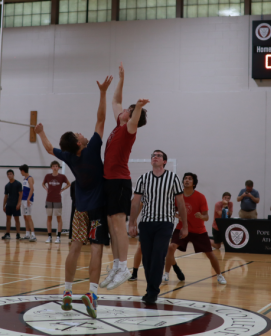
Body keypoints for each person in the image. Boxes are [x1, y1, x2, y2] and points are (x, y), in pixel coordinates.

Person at [36, 75, 113, 318]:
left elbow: (49, 148)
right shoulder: (90, 151)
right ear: (79, 143)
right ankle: (91, 293)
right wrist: (102, 92)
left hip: (79, 208)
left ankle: (67, 292)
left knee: (75, 248)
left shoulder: (68, 157)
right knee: (97, 249)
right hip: (97, 209)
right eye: (79, 134)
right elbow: (101, 118)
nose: (83, 133)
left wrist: (41, 131)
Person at [101, 63, 149, 290]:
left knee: (119, 224)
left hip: (120, 182)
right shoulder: (117, 126)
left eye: (127, 111)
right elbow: (115, 101)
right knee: (112, 224)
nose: (121, 109)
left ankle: (123, 267)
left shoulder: (129, 130)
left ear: (130, 117)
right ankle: (116, 264)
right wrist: (122, 78)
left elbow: (134, 118)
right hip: (109, 181)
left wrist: (138, 107)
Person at [129, 150, 187, 305]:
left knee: (158, 255)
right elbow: (135, 202)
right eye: (153, 155)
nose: (155, 156)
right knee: (147, 258)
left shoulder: (173, 178)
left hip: (165, 223)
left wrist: (185, 226)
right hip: (146, 223)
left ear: (164, 162)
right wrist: (131, 222)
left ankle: (152, 291)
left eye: (159, 155)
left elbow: (180, 203)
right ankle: (151, 287)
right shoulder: (143, 178)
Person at [164, 173, 227, 285]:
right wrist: (176, 215)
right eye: (185, 179)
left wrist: (201, 216)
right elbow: (171, 210)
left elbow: (206, 217)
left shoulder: (200, 197)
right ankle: (166, 274)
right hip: (182, 228)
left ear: (194, 183)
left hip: (198, 230)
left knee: (210, 254)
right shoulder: (177, 196)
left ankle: (219, 275)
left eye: (189, 179)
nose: (186, 180)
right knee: (171, 247)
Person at [42, 161, 71, 244]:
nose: (55, 167)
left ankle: (58, 237)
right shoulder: (47, 176)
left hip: (57, 199)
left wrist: (62, 190)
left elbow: (69, 184)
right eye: (53, 166)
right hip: (49, 199)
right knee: (49, 218)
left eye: (56, 166)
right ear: (51, 167)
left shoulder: (62, 176)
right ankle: (49, 236)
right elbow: (43, 184)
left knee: (58, 218)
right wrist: (46, 189)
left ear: (58, 168)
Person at [2, 169, 23, 240]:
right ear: (7, 176)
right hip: (9, 204)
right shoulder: (7, 185)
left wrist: (19, 203)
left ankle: (18, 234)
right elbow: (5, 196)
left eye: (11, 174)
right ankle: (7, 233)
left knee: (16, 219)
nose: (9, 175)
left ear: (13, 175)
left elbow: (20, 194)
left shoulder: (18, 184)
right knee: (8, 219)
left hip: (15, 204)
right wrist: (4, 205)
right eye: (8, 174)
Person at [20, 164, 36, 242]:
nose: (20, 173)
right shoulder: (24, 179)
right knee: (25, 217)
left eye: (21, 171)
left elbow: (32, 189)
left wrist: (28, 199)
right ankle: (27, 234)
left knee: (29, 217)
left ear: (23, 171)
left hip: (27, 200)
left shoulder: (30, 178)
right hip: (23, 200)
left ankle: (33, 235)